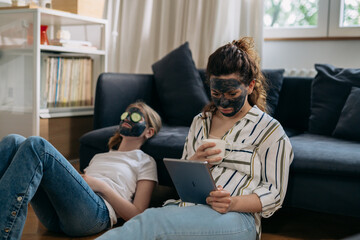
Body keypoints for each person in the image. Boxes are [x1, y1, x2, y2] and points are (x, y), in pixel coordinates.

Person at [96, 37, 293, 240]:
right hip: (189, 210)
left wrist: (233, 202)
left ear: (250, 86)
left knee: (152, 222)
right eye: (216, 92)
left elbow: (274, 194)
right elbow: (184, 183)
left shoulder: (270, 130)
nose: (223, 101)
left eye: (232, 93)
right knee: (155, 224)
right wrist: (194, 162)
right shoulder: (200, 122)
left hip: (237, 219)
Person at [0, 101, 162, 239]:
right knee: (13, 141)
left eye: (135, 116)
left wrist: (101, 187)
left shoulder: (145, 162)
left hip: (96, 215)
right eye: (125, 115)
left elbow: (138, 214)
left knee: (37, 145)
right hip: (58, 216)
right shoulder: (99, 156)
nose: (127, 118)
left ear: (149, 131)